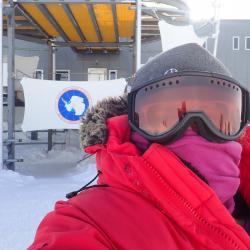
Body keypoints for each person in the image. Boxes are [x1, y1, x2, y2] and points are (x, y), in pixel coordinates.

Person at [28, 43, 250, 250]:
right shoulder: (91, 222)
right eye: (165, 115)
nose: (192, 129)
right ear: (132, 124)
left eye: (218, 115)